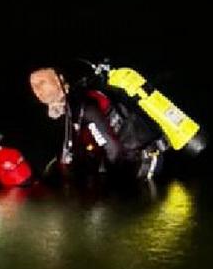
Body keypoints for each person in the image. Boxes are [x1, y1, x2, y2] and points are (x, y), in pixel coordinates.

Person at [29, 66, 167, 182]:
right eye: (34, 86)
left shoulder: (85, 106)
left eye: (42, 83)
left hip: (143, 161)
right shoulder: (69, 108)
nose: (38, 90)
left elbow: (113, 150)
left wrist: (108, 184)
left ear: (59, 80)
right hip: (126, 161)